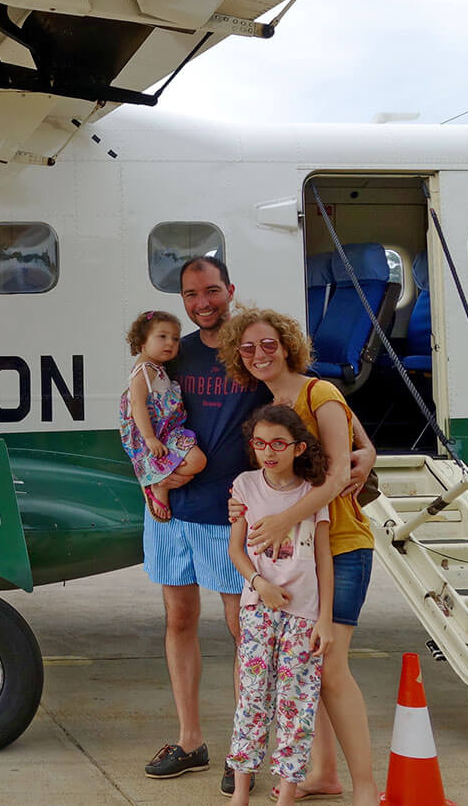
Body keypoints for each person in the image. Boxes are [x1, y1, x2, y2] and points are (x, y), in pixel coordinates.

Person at [218, 307, 379, 806]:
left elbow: (335, 475)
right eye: (248, 348)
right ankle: (324, 772)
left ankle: (366, 789)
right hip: (296, 559)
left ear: (287, 345)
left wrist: (284, 520)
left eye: (268, 344)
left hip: (341, 544)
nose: (260, 354)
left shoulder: (319, 392)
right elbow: (364, 445)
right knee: (309, 669)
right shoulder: (271, 404)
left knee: (329, 667)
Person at [142, 255, 269, 794]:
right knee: (178, 620)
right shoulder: (174, 354)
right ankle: (191, 740)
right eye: (192, 295)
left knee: (245, 630)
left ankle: (245, 751)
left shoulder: (253, 351)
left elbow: (301, 395)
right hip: (172, 509)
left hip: (231, 511)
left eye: (212, 291)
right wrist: (152, 479)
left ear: (231, 290)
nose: (203, 303)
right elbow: (142, 419)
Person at [225, 404, 334, 806]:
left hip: (304, 615)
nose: (268, 452)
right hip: (258, 608)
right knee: (252, 698)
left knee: (297, 703)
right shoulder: (245, 486)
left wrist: (324, 619)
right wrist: (259, 584)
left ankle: (286, 794)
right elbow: (236, 550)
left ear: (298, 447)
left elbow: (325, 560)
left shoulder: (313, 494)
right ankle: (240, 793)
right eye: (259, 443)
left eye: (277, 444)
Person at [120, 310, 207, 521]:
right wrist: (150, 438)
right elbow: (137, 404)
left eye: (175, 338)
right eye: (162, 336)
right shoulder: (144, 370)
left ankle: (159, 480)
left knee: (198, 461)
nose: (170, 343)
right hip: (157, 434)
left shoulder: (158, 367)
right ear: (142, 341)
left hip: (169, 430)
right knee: (197, 461)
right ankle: (158, 484)